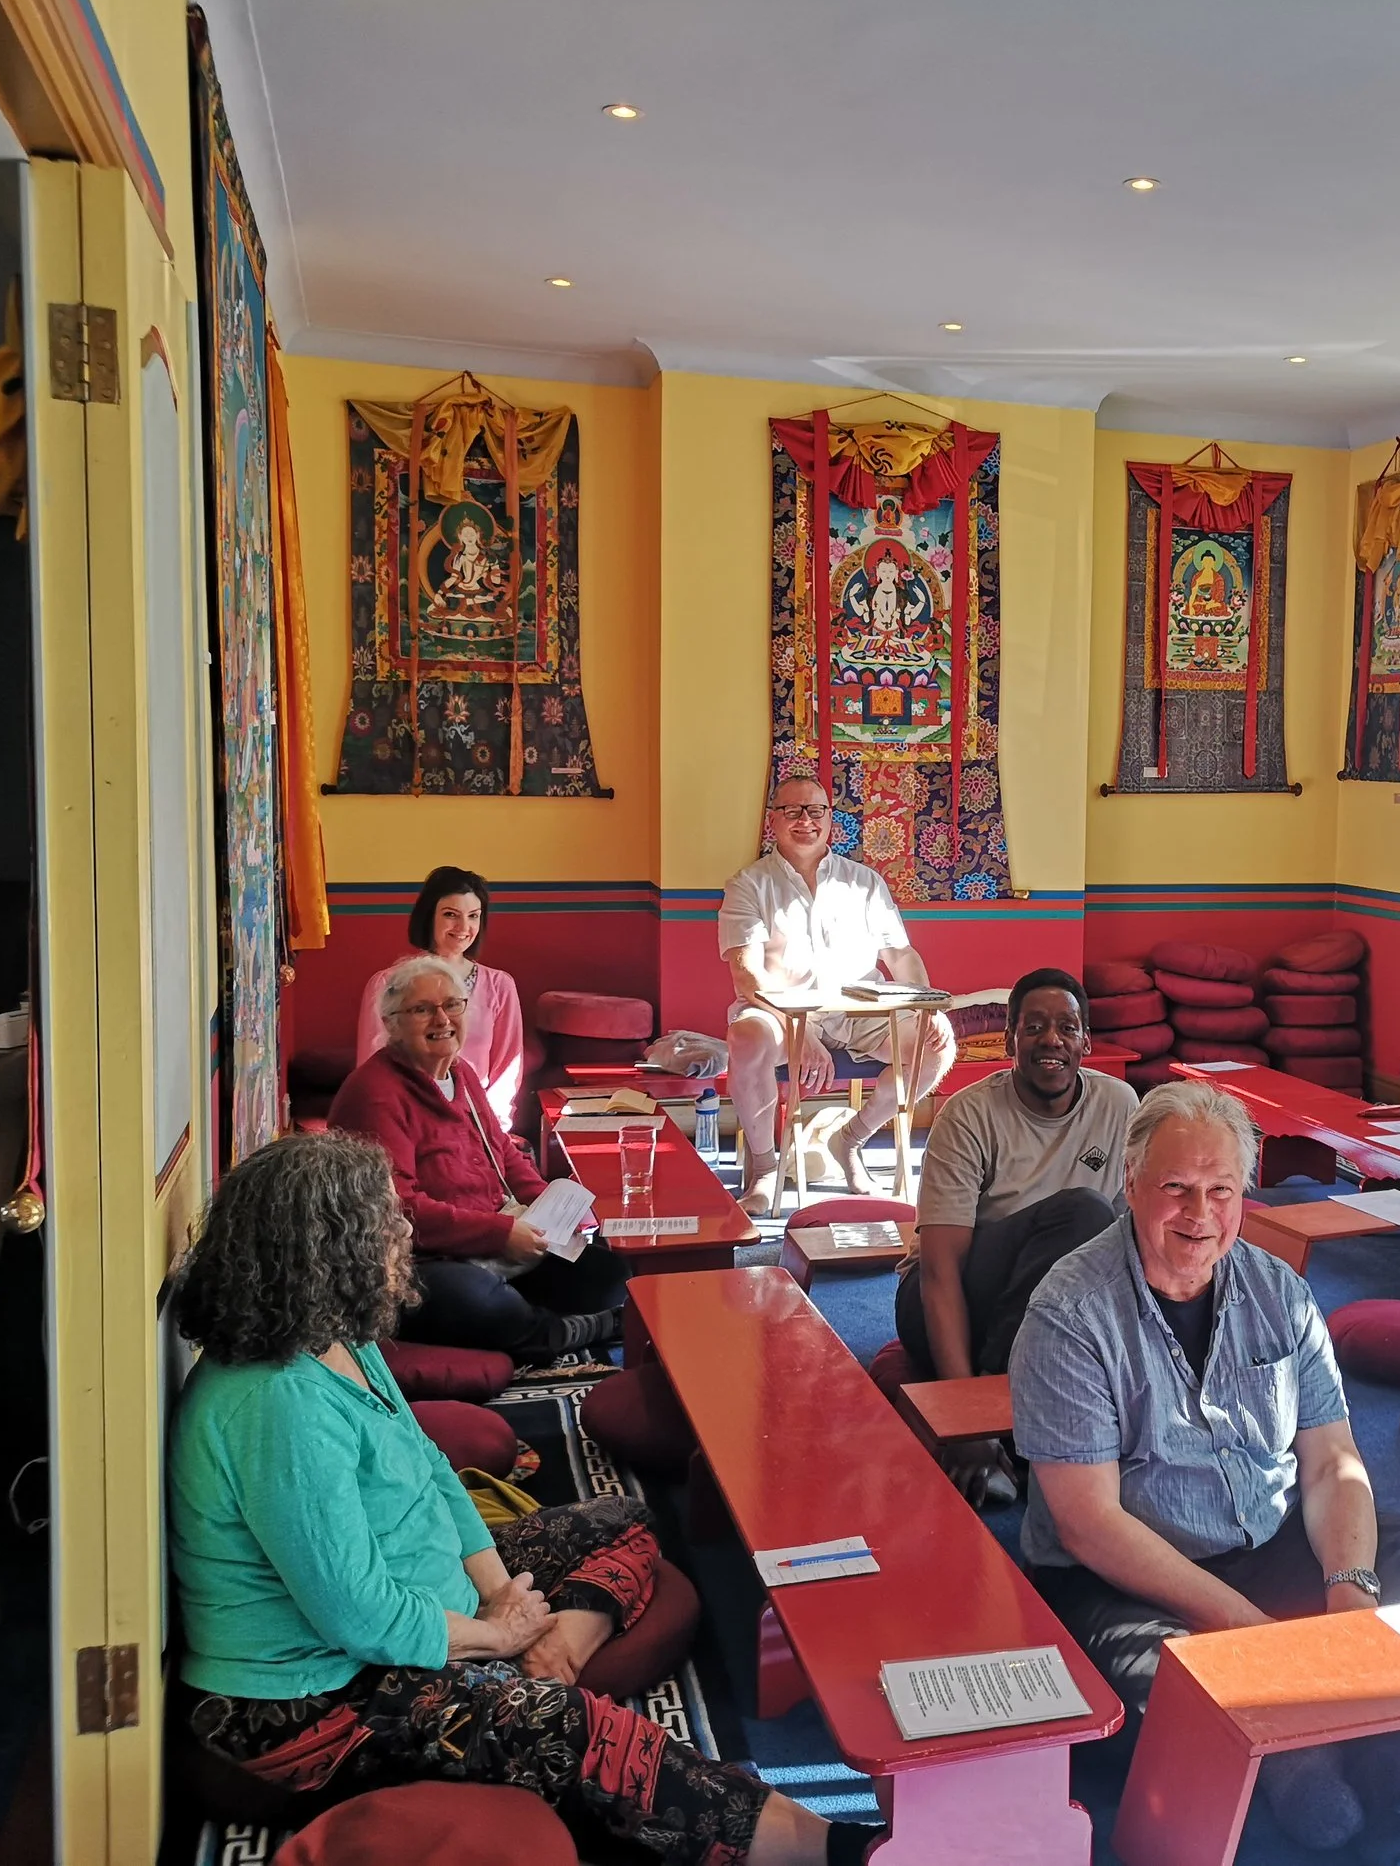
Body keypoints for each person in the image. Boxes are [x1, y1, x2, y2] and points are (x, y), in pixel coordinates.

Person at [167, 1131, 871, 1866]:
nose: (404, 1232)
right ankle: (826, 1847)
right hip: (317, 1700)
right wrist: (497, 1638)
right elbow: (359, 1615)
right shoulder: (275, 1404)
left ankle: (558, 1643)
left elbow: (436, 1471)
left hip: (424, 1605)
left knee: (624, 1519)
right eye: (384, 1221)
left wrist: (503, 1595)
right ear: (327, 1248)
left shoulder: (335, 1333)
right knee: (579, 1732)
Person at [1010, 1082, 1400, 1850]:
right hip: (1129, 1576)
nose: (1200, 1213)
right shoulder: (1070, 1313)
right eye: (1176, 1188)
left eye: (1221, 1189)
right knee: (1154, 1697)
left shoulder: (1279, 1291)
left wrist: (1350, 1593)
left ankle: (1349, 1756)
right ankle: (1355, 1756)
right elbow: (1090, 1524)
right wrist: (1251, 1633)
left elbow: (1332, 1465)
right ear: (1130, 1182)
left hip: (1269, 1539)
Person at [895, 969, 1132, 1504]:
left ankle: (1022, 1433)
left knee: (1105, 1238)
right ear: (1009, 1041)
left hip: (1047, 1313)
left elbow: (1127, 1251)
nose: (1052, 1040)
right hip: (948, 1301)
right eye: (1035, 1027)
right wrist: (967, 1412)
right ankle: (998, 1410)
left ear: (1086, 1042)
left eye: (1067, 1028)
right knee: (1083, 1214)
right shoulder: (968, 1114)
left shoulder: (1118, 1106)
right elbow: (938, 1272)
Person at [331, 958, 624, 1363]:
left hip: (497, 1238)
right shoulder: (375, 1092)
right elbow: (398, 1209)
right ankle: (552, 1333)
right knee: (478, 1302)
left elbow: (501, 1150)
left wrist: (551, 1206)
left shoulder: (461, 1072)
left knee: (609, 1277)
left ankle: (541, 1320)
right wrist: (501, 1233)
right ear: (392, 1023)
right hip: (420, 1257)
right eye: (422, 1009)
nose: (442, 1018)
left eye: (453, 1005)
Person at [719, 776, 956, 1214]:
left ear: (831, 819)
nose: (804, 821)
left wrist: (929, 1007)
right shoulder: (748, 884)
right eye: (792, 811)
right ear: (773, 820)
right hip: (778, 1009)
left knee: (935, 1045)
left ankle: (851, 1137)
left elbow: (901, 955)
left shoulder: (864, 882)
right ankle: (766, 1168)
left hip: (858, 1010)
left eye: (815, 811)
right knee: (746, 1040)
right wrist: (798, 1030)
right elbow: (747, 979)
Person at [357, 867, 527, 1132]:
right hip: (408, 1119)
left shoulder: (500, 986)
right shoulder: (387, 984)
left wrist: (490, 1130)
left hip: (479, 1123)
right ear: (429, 917)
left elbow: (507, 1070)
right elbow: (371, 1067)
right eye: (451, 915)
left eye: (473, 916)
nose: (463, 928)